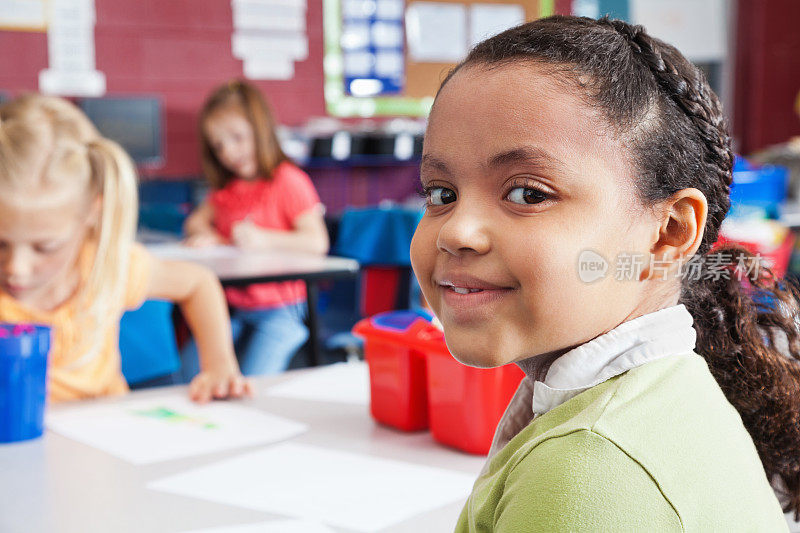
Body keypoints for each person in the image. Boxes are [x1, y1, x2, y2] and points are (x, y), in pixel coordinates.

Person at [410, 16, 799, 530]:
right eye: (442, 193)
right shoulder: (652, 398)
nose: (456, 231)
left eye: (528, 193)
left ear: (669, 233)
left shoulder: (590, 468)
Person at [0, 93, 251, 403]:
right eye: (0, 245)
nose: (16, 268)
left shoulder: (106, 264)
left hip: (104, 432)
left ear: (92, 212)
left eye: (45, 247)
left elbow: (198, 283)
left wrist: (219, 365)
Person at [183, 80, 328, 375]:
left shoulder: (287, 181)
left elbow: (317, 242)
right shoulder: (228, 190)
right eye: (219, 146)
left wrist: (265, 239)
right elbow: (194, 221)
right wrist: (208, 235)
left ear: (259, 129)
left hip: (282, 310)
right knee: (190, 369)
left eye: (237, 138)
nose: (228, 152)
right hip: (236, 306)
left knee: (253, 379)